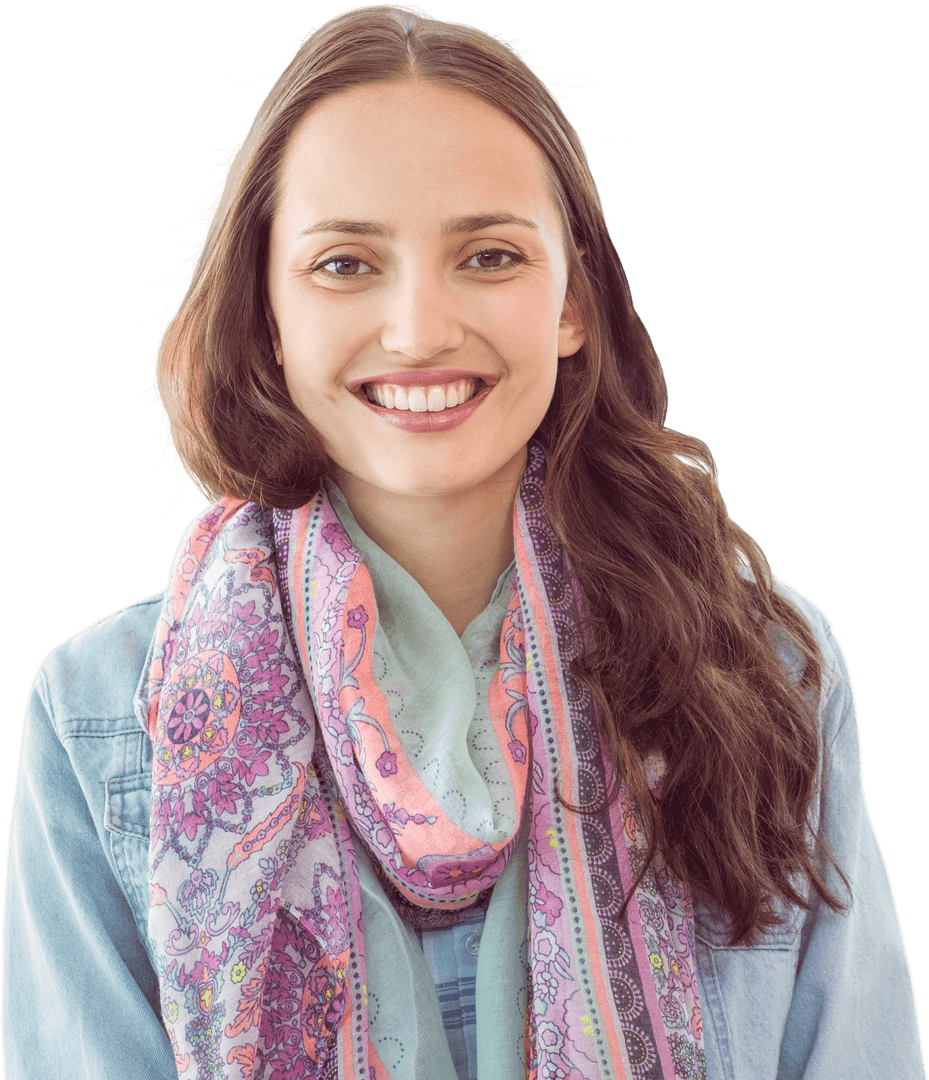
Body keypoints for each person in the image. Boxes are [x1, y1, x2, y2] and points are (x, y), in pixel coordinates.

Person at [2, 4, 924, 1079]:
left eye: (488, 256)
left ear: (572, 302)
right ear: (267, 316)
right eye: (344, 264)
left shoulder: (762, 664)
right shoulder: (104, 713)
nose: (418, 331)